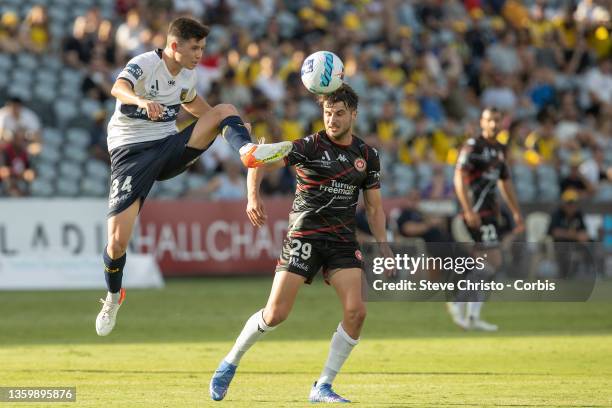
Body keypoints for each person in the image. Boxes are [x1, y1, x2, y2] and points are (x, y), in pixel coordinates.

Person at [95, 17, 292, 337]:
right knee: (117, 243)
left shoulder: (187, 75)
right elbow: (118, 87)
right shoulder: (145, 63)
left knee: (226, 108)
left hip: (168, 147)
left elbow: (200, 108)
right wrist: (142, 100)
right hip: (130, 154)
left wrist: (231, 123)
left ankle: (246, 151)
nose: (200, 53)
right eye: (195, 47)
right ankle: (114, 297)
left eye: (202, 47)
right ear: (175, 46)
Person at [209, 84, 393, 403]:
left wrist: (384, 245)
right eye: (327, 113)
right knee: (276, 314)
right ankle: (229, 363)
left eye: (338, 114)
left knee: (357, 311)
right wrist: (253, 196)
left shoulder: (367, 155)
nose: (332, 120)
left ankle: (322, 385)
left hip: (341, 242)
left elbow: (374, 207)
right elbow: (260, 159)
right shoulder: (309, 146)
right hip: (304, 236)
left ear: (353, 115)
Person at [449, 107, 524, 331]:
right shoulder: (473, 147)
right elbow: (459, 178)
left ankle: (470, 314)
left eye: (497, 120)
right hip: (475, 214)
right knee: (490, 262)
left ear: (502, 123)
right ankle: (460, 304)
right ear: (482, 122)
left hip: (490, 214)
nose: (494, 124)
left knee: (491, 264)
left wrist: (516, 210)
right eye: (490, 120)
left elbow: (505, 182)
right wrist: (468, 210)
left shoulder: (500, 150)